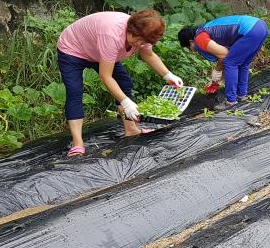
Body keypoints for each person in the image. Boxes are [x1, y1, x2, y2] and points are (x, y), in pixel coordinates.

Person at [57, 10, 182, 157]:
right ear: (131, 31)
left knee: (124, 81)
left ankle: (131, 129)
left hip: (98, 51)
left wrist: (168, 75)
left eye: (144, 42)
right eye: (139, 40)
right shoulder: (112, 35)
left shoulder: (144, 32)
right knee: (75, 91)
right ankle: (77, 143)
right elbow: (106, 76)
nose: (140, 44)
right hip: (73, 49)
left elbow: (148, 54)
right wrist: (126, 103)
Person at [178, 15, 270, 108]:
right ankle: (242, 96)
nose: (191, 50)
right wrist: (220, 77)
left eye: (189, 47)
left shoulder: (199, 38)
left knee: (230, 63)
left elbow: (224, 55)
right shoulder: (205, 29)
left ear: (190, 41)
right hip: (261, 26)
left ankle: (230, 102)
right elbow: (227, 54)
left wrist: (217, 70)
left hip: (251, 30)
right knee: (243, 64)